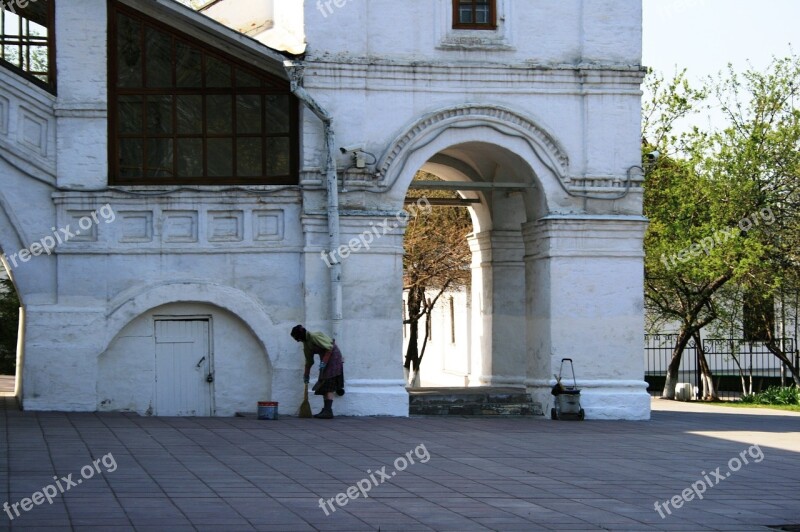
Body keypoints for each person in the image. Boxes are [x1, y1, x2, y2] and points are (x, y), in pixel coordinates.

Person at [290, 324, 345, 419]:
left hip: (333, 358)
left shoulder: (314, 336)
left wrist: (324, 362)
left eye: (298, 338)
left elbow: (329, 348)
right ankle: (326, 410)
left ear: (301, 335)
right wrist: (306, 375)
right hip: (325, 359)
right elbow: (309, 361)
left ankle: (328, 411)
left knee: (328, 383)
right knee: (323, 383)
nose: (298, 341)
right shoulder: (306, 343)